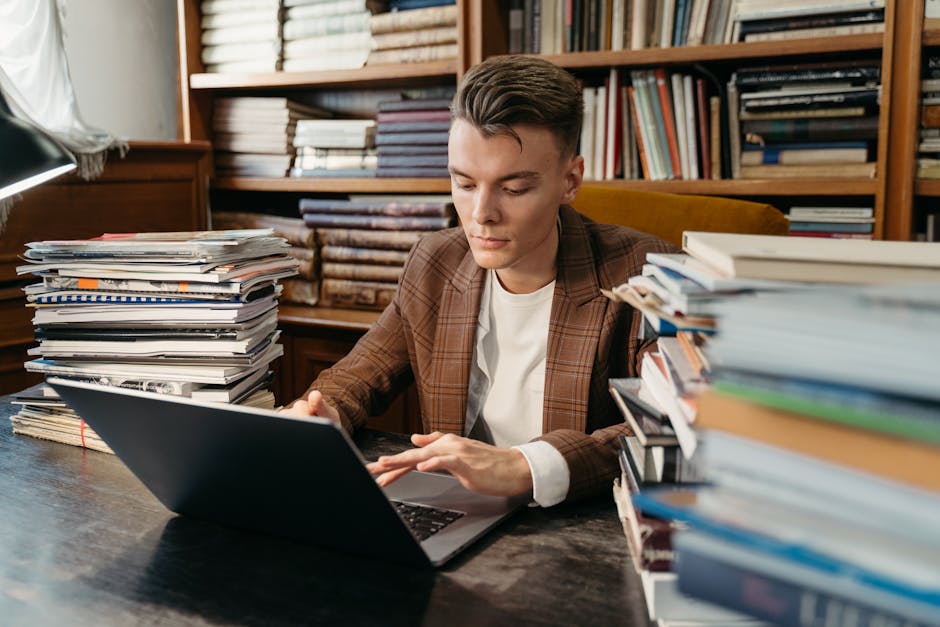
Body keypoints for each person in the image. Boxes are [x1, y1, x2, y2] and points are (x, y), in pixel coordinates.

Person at [282, 55, 675, 506]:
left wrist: (528, 465)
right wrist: (323, 411)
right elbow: (359, 375)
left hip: (588, 538)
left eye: (514, 189)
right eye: (465, 184)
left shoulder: (649, 274)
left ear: (570, 180)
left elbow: (671, 426)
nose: (481, 214)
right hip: (462, 518)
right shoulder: (436, 261)